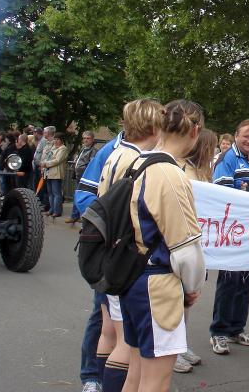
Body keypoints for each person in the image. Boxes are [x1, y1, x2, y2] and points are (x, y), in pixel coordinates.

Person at [120, 99, 206, 392]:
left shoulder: (138, 162)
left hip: (132, 276)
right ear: (195, 131)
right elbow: (186, 249)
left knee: (136, 374)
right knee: (155, 382)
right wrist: (191, 286)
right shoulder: (170, 173)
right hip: (156, 284)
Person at [96, 99, 164, 392]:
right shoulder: (135, 159)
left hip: (108, 251)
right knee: (126, 344)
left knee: (110, 332)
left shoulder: (116, 153)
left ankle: (98, 382)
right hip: (125, 255)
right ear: (152, 126)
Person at [210, 119, 249, 355]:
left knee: (246, 281)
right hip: (232, 233)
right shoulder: (226, 159)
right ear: (236, 136)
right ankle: (218, 332)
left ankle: (236, 329)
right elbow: (221, 193)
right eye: (246, 136)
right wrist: (248, 194)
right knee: (228, 283)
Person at [77, 132, 126, 392]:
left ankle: (120, 378)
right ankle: (91, 377)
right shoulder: (109, 151)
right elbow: (84, 195)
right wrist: (106, 229)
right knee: (101, 314)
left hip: (134, 253)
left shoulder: (153, 152)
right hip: (110, 247)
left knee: (126, 318)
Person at [171, 127, 217, 374]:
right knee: (178, 298)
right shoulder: (181, 168)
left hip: (199, 242)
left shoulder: (202, 172)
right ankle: (172, 350)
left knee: (189, 298)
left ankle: (181, 344)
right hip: (183, 241)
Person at [66, 131, 98, 224]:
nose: (86, 140)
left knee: (83, 197)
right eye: (84, 138)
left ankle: (82, 216)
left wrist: (82, 168)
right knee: (77, 195)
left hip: (86, 177)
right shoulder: (83, 149)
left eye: (88, 138)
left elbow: (92, 164)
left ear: (92, 139)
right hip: (79, 175)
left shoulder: (94, 151)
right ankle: (75, 216)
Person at [41, 132, 68, 217]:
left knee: (56, 193)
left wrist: (46, 163)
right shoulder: (53, 148)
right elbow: (47, 157)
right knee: (50, 193)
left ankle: (57, 211)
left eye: (58, 139)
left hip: (57, 174)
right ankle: (51, 209)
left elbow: (57, 160)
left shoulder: (63, 149)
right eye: (55, 139)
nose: (56, 141)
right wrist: (45, 162)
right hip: (49, 173)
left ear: (62, 140)